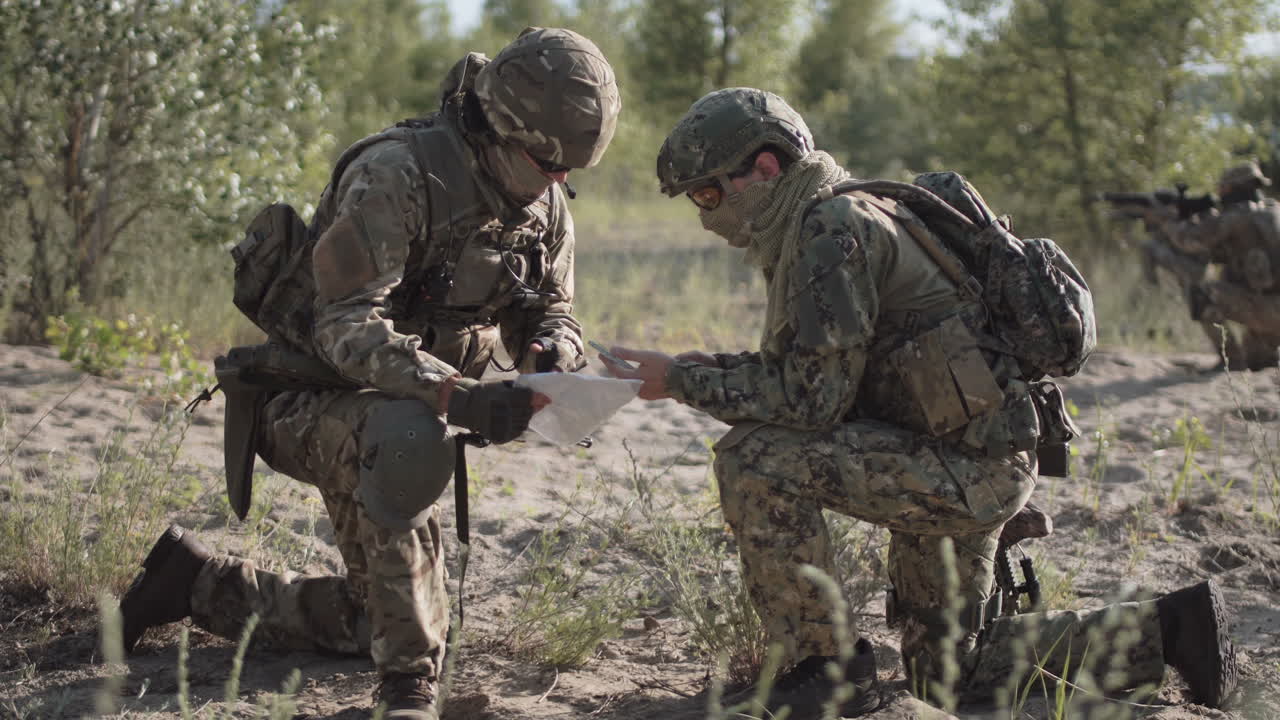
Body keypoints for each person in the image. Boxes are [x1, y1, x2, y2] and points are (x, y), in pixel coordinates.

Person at [601, 87, 1237, 716]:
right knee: (947, 680)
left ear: (764, 168)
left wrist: (679, 382)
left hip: (962, 471)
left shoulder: (833, 227)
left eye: (709, 193)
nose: (706, 215)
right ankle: (1176, 631)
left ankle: (822, 669)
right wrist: (707, 369)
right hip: (967, 457)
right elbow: (823, 373)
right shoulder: (844, 212)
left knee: (755, 458)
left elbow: (812, 401)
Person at [119, 27, 619, 720]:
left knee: (370, 619)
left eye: (568, 172)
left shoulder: (542, 198)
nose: (558, 184)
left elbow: (551, 309)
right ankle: (407, 687)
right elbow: (343, 326)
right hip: (308, 398)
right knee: (409, 437)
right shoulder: (398, 174)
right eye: (546, 163)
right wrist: (455, 393)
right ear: (497, 129)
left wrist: (550, 353)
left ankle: (193, 584)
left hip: (413, 409)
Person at [1166, 161, 1280, 370]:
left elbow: (1188, 241)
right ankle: (1262, 352)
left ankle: (1232, 361)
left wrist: (1171, 220)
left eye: (1224, 189)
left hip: (1267, 310)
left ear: (1235, 188)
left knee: (1202, 294)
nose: (1221, 194)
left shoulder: (1237, 216)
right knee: (1258, 362)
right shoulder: (1274, 210)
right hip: (1270, 310)